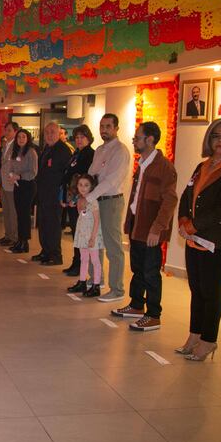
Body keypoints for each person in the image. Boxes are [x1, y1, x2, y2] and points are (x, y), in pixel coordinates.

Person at [176, 118, 221, 361]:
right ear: (209, 139)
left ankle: (208, 341)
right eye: (216, 135)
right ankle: (194, 335)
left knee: (210, 291)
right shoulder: (201, 166)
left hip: (218, 242)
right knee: (196, 290)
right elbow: (187, 196)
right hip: (194, 238)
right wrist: (183, 222)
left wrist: (194, 225)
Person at [110, 122, 178, 331]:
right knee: (137, 269)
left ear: (150, 139)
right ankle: (137, 305)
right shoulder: (143, 163)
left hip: (151, 231)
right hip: (137, 227)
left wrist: (157, 228)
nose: (134, 141)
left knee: (150, 272)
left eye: (137, 138)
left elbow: (170, 200)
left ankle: (153, 314)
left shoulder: (164, 167)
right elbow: (137, 196)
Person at [79, 113, 132, 301]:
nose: (104, 130)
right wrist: (83, 193)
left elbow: (111, 180)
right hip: (95, 201)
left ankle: (117, 290)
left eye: (108, 126)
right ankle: (96, 281)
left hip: (111, 201)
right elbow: (92, 174)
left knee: (113, 246)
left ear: (116, 128)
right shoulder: (100, 149)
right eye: (102, 126)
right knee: (94, 243)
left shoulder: (121, 151)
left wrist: (89, 196)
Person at [34, 122, 72, 265]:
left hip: (55, 194)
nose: (49, 135)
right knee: (43, 223)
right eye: (47, 133)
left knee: (53, 224)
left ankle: (55, 255)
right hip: (44, 192)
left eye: (52, 132)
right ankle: (46, 251)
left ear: (58, 133)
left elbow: (64, 174)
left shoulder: (63, 150)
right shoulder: (47, 149)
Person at [61, 125, 95, 276]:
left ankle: (80, 265)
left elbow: (86, 178)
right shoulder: (76, 153)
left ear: (88, 138)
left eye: (82, 137)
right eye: (77, 137)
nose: (79, 140)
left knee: (80, 234)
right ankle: (76, 262)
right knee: (76, 233)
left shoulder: (89, 154)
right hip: (72, 197)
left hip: (81, 198)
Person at [67, 175, 104, 297]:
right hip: (82, 234)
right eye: (80, 185)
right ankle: (82, 281)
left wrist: (93, 238)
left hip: (91, 235)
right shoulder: (80, 199)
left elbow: (97, 220)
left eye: (86, 185)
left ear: (92, 187)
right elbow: (81, 215)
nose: (83, 188)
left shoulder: (93, 201)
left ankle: (96, 285)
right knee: (83, 259)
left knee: (95, 260)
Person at [5, 129, 38, 254]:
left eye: (23, 137)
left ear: (28, 138)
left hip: (28, 185)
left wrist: (19, 176)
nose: (21, 139)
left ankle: (25, 242)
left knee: (24, 215)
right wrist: (12, 175)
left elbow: (33, 172)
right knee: (19, 214)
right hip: (18, 185)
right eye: (19, 137)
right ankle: (20, 240)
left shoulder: (31, 152)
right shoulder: (16, 152)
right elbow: (12, 167)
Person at [0, 122, 19, 246]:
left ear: (15, 132)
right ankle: (8, 234)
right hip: (4, 182)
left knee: (12, 211)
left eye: (9, 130)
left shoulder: (17, 146)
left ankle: (14, 236)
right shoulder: (6, 145)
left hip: (11, 183)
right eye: (6, 130)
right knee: (6, 210)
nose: (7, 133)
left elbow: (17, 164)